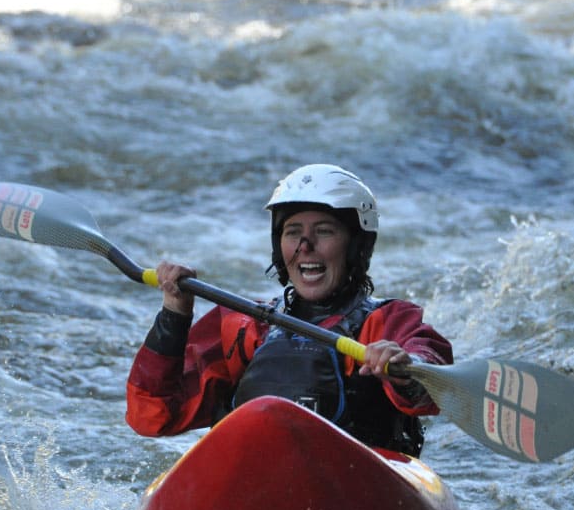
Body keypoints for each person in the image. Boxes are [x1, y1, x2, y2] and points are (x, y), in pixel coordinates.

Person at [126, 164, 453, 457]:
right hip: (257, 490)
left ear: (356, 246)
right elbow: (152, 415)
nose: (305, 246)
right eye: (293, 232)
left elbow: (432, 383)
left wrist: (404, 367)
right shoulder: (244, 326)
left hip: (356, 492)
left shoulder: (386, 322)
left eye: (323, 231)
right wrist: (174, 314)